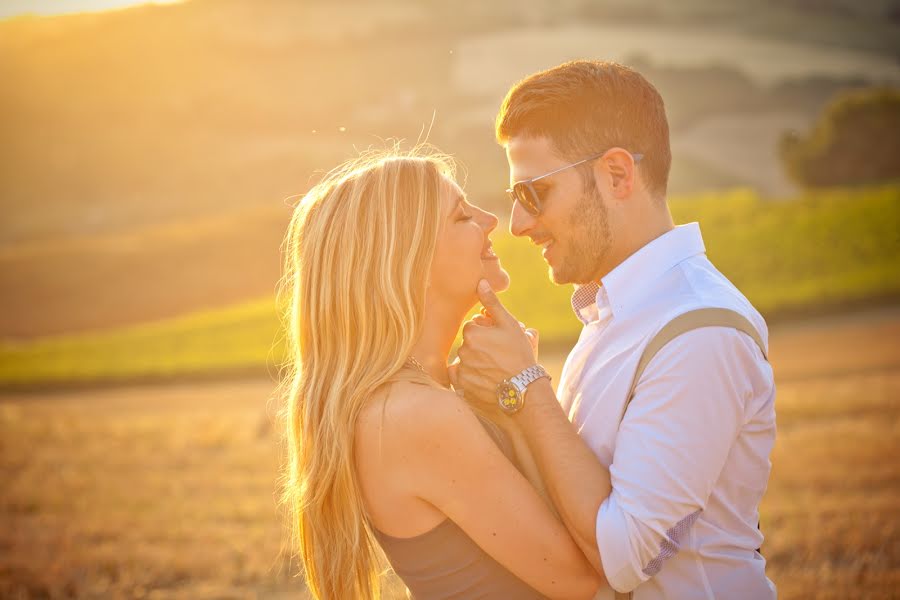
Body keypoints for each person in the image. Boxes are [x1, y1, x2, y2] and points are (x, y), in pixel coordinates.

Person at [455, 60, 777, 600]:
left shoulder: (698, 332)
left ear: (617, 175)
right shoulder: (617, 311)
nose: (518, 224)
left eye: (533, 193)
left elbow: (623, 558)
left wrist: (526, 385)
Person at [278, 147, 602, 600]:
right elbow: (584, 580)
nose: (491, 220)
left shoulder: (421, 395)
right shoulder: (413, 414)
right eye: (460, 216)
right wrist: (521, 386)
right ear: (406, 259)